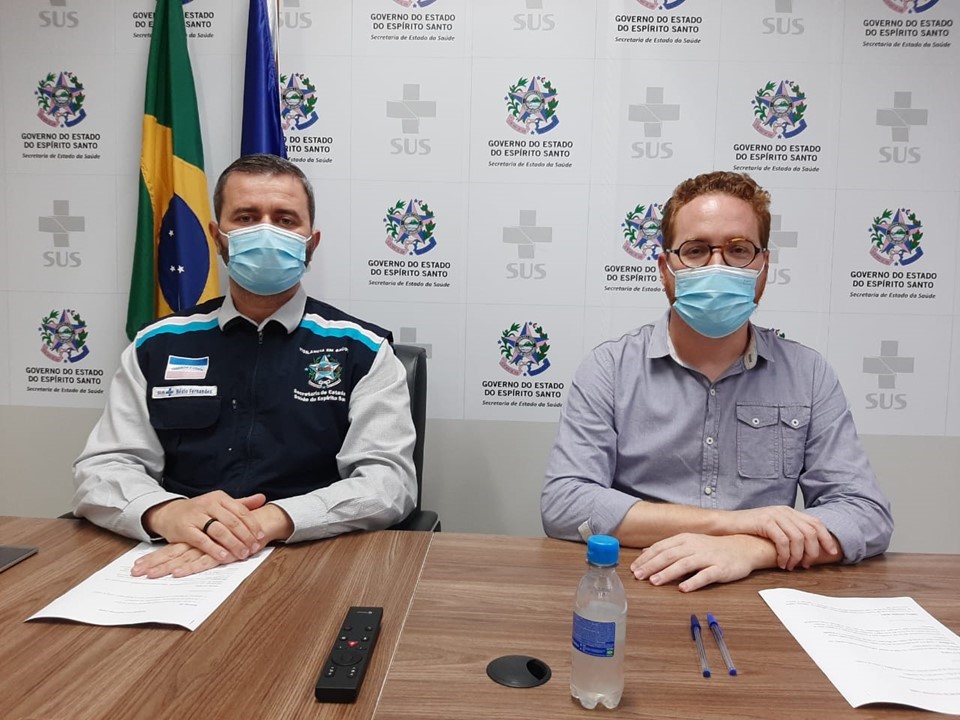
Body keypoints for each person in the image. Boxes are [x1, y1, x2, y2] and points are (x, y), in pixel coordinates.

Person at [541, 171, 893, 592]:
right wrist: (733, 524)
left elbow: (865, 515)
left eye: (738, 250)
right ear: (665, 269)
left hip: (763, 591)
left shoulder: (808, 373)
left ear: (763, 267)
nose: (717, 266)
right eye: (695, 250)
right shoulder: (610, 368)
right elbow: (565, 503)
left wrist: (751, 549)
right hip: (636, 584)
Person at [73, 154, 417, 578]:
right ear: (217, 237)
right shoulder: (156, 345)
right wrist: (165, 512)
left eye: (286, 220)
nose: (266, 231)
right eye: (246, 217)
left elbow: (389, 483)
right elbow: (103, 468)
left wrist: (274, 519)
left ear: (311, 241)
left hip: (312, 557)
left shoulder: (362, 349)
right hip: (176, 556)